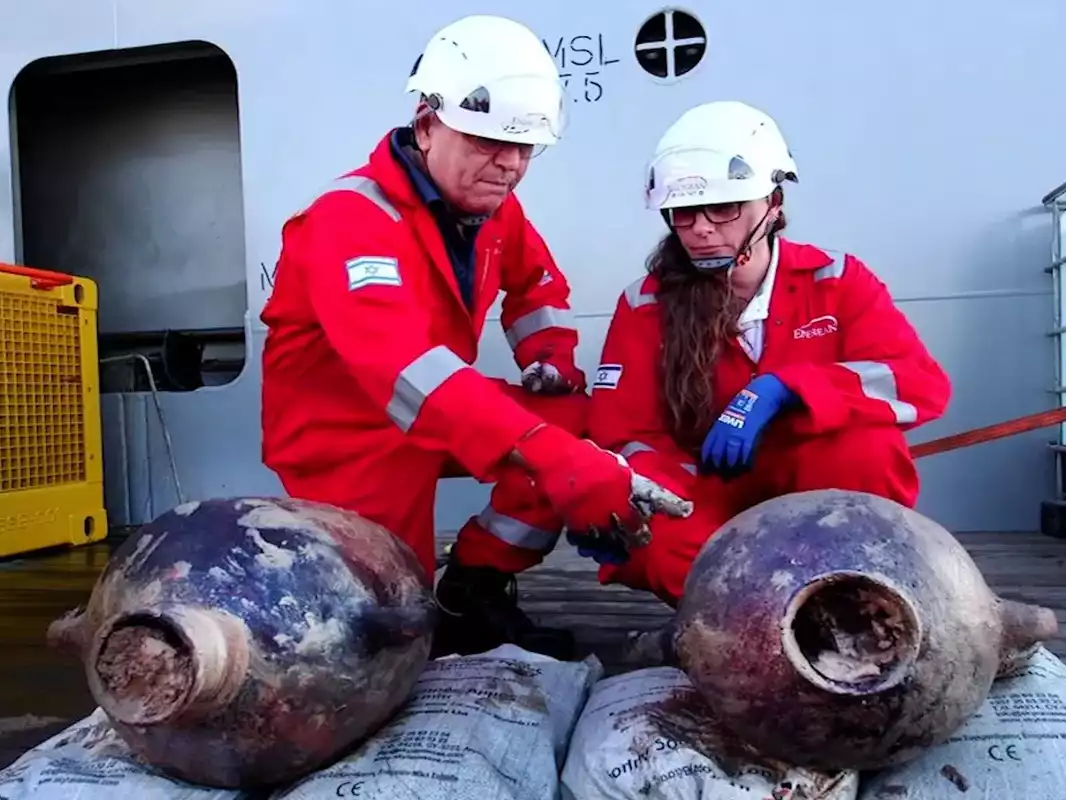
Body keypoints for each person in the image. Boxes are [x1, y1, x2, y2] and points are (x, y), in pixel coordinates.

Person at [259, 14, 690, 659]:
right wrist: (551, 455)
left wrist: (549, 358)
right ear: (427, 123)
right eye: (489, 143)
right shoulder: (347, 221)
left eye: (524, 149)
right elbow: (405, 371)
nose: (510, 166)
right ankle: (419, 612)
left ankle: (473, 585)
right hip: (347, 437)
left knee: (576, 419)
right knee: (386, 624)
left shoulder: (491, 208)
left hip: (440, 409)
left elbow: (538, 284)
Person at [583, 100, 952, 605]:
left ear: (773, 203)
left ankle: (845, 594)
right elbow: (621, 432)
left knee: (868, 448)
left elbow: (918, 384)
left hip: (815, 490)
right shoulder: (645, 304)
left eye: (724, 207)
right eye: (684, 212)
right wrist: (681, 493)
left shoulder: (836, 281)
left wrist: (786, 390)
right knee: (648, 527)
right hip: (707, 496)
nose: (702, 227)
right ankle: (773, 613)